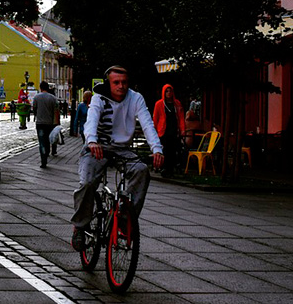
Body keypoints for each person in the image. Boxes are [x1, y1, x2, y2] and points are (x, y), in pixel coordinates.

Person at [71, 66, 164, 252]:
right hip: (96, 148)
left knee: (141, 171)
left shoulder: (135, 98)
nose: (121, 86)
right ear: (109, 83)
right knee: (87, 183)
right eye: (116, 82)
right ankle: (80, 226)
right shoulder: (98, 98)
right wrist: (91, 141)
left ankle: (125, 219)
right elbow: (91, 120)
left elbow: (147, 123)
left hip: (122, 149)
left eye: (124, 82)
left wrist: (157, 149)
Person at [153, 84, 185, 177]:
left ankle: (170, 169)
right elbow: (156, 118)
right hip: (163, 130)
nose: (169, 93)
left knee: (173, 150)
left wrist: (182, 129)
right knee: (165, 149)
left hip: (174, 129)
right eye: (166, 91)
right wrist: (154, 131)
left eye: (170, 91)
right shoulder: (159, 104)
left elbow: (181, 117)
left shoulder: (177, 104)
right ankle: (164, 168)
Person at [32, 81, 59, 167]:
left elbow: (34, 109)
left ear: (40, 88)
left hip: (40, 123)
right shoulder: (53, 98)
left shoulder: (36, 97)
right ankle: (47, 152)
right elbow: (56, 110)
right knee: (48, 140)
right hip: (49, 123)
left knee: (42, 142)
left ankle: (43, 159)